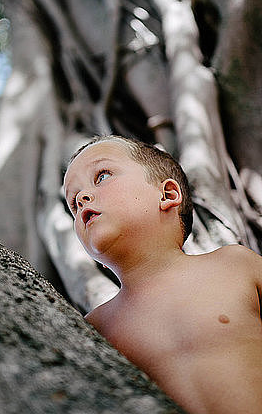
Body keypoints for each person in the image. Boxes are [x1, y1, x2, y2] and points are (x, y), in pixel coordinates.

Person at [63, 135, 262, 414]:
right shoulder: (94, 327)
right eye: (72, 203)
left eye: (102, 175)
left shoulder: (236, 264)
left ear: (167, 195)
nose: (82, 199)